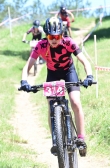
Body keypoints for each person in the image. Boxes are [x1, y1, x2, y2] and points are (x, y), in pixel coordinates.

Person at [19, 17, 94, 157]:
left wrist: (89, 76)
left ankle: (81, 139)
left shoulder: (69, 42)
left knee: (75, 102)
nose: (54, 39)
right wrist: (24, 81)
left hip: (69, 72)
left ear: (62, 34)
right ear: (46, 35)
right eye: (50, 36)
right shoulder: (41, 45)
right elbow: (27, 66)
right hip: (52, 73)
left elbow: (85, 62)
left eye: (57, 36)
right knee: (51, 106)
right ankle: (56, 141)